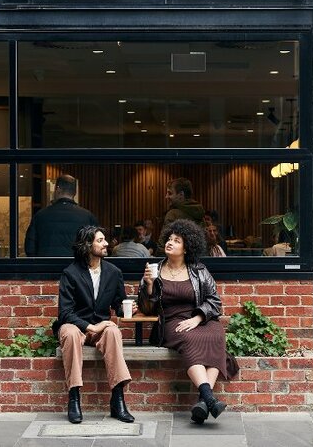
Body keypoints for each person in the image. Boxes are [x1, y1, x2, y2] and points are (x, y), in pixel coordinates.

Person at [137, 219, 239, 425]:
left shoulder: (199, 270)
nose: (170, 243)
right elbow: (146, 309)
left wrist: (197, 317)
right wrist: (148, 286)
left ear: (186, 248)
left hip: (198, 318)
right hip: (171, 322)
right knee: (189, 338)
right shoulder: (154, 270)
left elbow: (214, 301)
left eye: (177, 240)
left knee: (216, 334)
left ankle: (204, 401)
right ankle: (209, 398)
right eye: (169, 239)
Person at [54, 225, 135, 425]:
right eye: (100, 240)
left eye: (104, 239)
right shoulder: (71, 273)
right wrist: (90, 327)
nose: (106, 243)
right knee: (71, 334)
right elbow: (65, 313)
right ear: (87, 245)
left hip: (100, 326)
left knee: (113, 331)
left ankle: (118, 399)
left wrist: (129, 306)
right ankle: (74, 398)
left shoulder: (113, 272)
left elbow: (118, 304)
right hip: (76, 326)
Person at [25, 174, 98, 257]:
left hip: (46, 267)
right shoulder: (88, 216)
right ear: (74, 192)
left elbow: (30, 248)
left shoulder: (40, 215)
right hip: (77, 268)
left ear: (58, 189)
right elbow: (96, 246)